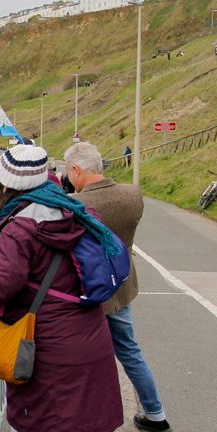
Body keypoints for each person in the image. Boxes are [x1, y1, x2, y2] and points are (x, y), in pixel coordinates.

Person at [0, 144, 123, 432]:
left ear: (6, 182)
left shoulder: (21, 228)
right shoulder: (71, 209)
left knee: (50, 423)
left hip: (50, 354)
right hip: (88, 338)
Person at [65, 142, 172, 432]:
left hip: (87, 290)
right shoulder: (133, 194)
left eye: (68, 172)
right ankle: (156, 413)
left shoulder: (76, 204)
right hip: (122, 285)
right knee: (129, 351)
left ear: (76, 169)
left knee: (83, 357)